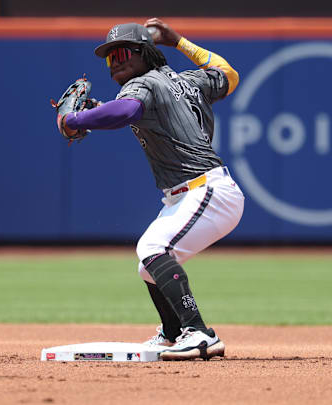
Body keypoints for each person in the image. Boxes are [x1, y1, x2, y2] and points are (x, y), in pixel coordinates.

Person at [57, 19, 244, 360]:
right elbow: (228, 74)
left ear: (144, 53)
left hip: (205, 189)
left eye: (123, 53)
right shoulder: (188, 80)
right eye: (110, 59)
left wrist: (75, 120)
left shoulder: (142, 83)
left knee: (153, 247)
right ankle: (173, 333)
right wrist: (181, 42)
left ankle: (199, 332)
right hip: (196, 192)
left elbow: (129, 109)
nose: (116, 62)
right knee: (149, 265)